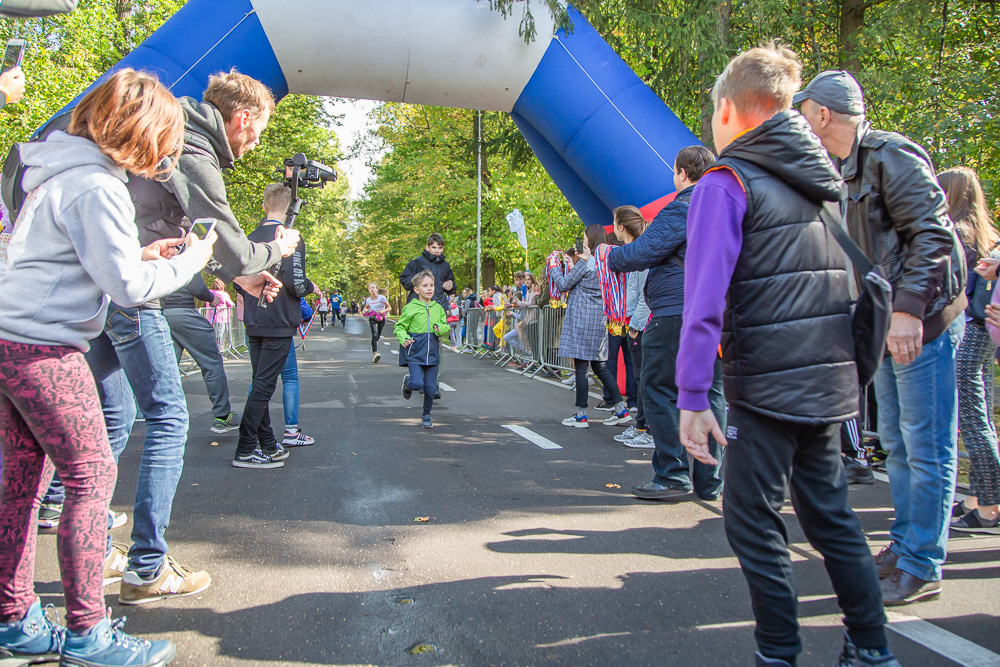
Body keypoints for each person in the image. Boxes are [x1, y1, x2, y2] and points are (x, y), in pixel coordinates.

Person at [678, 46, 894, 665]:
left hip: (766, 382)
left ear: (727, 110)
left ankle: (777, 653)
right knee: (831, 517)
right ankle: (871, 649)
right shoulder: (822, 186)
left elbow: (705, 300)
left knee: (751, 520)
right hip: (828, 382)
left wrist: (693, 396)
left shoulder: (727, 184)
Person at [0, 68, 214, 667]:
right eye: (165, 139)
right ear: (141, 131)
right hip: (47, 349)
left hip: (10, 340)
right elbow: (127, 288)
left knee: (19, 487)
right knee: (92, 480)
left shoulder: (59, 170)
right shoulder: (98, 185)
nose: (167, 153)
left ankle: (13, 616)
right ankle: (89, 633)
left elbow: (76, 259)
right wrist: (191, 258)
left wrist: (138, 251)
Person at [80, 69, 299, 605]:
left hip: (106, 286)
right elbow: (232, 242)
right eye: (256, 133)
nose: (252, 147)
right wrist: (276, 250)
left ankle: (78, 532)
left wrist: (234, 277)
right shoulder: (191, 145)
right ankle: (146, 567)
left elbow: (196, 242)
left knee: (112, 417)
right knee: (168, 418)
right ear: (242, 117)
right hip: (135, 295)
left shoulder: (173, 133)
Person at [799, 69, 967, 605]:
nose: (800, 121)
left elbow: (933, 235)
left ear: (822, 114)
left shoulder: (891, 156)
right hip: (884, 324)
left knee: (926, 444)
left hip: (922, 323)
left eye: (803, 112)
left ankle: (923, 563)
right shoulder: (843, 170)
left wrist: (909, 312)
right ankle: (905, 545)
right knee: (895, 441)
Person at [605, 149, 725, 500]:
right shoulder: (726, 205)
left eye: (674, 171)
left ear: (683, 173)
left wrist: (610, 255)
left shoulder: (684, 205)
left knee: (657, 388)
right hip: (712, 310)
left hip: (676, 311)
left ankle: (672, 474)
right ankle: (709, 479)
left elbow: (644, 251)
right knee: (709, 393)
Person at [234, 184, 318, 469]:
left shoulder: (250, 237)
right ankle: (245, 448)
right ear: (291, 207)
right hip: (279, 319)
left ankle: (268, 442)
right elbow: (295, 283)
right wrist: (310, 286)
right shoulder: (290, 237)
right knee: (264, 387)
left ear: (263, 206)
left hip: (254, 319)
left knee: (260, 383)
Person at [939, 167, 1000, 534]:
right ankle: (977, 497)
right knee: (980, 417)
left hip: (968, 331)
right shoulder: (986, 234)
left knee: (972, 419)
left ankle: (990, 504)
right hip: (984, 333)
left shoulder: (957, 234)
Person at [548, 225, 631, 429]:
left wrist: (553, 268)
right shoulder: (605, 263)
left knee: (582, 368)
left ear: (590, 240)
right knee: (600, 366)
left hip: (581, 319)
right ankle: (621, 409)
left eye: (584, 238)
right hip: (599, 320)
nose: (581, 242)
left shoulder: (586, 263)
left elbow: (564, 284)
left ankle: (581, 415)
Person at [163, 274, 240, 434]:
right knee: (212, 363)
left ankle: (162, 414)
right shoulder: (184, 251)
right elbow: (197, 285)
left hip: (163, 314)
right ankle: (222, 416)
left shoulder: (153, 254)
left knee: (167, 367)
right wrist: (210, 297)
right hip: (184, 311)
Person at [607, 211, 652, 450]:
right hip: (632, 320)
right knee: (639, 376)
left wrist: (635, 325)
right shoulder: (634, 252)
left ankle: (647, 428)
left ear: (621, 227)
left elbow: (646, 293)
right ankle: (641, 425)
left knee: (644, 377)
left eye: (614, 223)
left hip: (641, 324)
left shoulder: (642, 252)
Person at [396, 270, 450, 429]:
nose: (429, 289)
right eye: (425, 285)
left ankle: (426, 415)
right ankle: (408, 383)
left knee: (431, 388)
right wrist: (404, 338)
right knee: (417, 383)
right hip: (415, 352)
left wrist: (439, 328)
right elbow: (400, 327)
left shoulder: (438, 308)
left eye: (431, 285)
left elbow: (445, 325)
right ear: (416, 289)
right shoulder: (410, 307)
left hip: (433, 353)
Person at [399, 233, 457, 308]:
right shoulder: (417, 262)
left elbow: (451, 287)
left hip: (439, 305)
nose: (437, 251)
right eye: (434, 247)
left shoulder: (445, 265)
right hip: (419, 305)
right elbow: (404, 279)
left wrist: (451, 283)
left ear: (442, 249)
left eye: (439, 248)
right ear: (427, 247)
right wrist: (419, 281)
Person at [362, 282, 391, 363]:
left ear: (377, 289)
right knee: (374, 335)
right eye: (370, 288)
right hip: (373, 318)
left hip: (381, 318)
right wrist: (364, 311)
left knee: (377, 336)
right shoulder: (368, 300)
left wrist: (382, 311)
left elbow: (389, 308)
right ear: (369, 290)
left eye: (373, 288)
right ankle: (375, 353)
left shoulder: (382, 298)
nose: (372, 289)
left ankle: (375, 343)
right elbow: (366, 307)